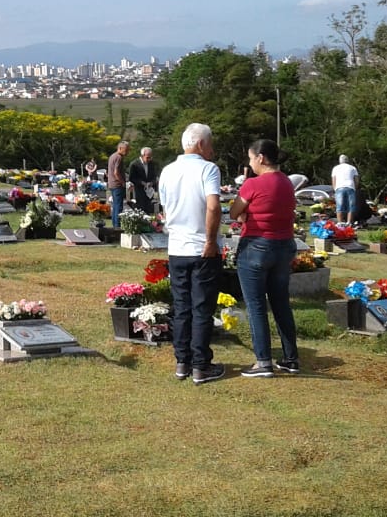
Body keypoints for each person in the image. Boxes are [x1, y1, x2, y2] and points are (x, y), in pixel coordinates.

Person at [158, 124, 225, 385]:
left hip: (177, 247)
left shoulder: (167, 171)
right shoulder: (208, 169)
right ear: (200, 144)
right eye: (210, 144)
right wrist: (210, 240)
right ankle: (201, 364)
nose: (212, 149)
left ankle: (182, 361)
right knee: (201, 308)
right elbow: (213, 206)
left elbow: (165, 208)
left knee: (181, 307)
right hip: (201, 246)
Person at [228, 139, 300, 378]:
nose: (249, 163)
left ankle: (263, 361)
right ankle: (290, 358)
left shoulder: (253, 184)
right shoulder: (287, 183)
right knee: (281, 303)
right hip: (284, 245)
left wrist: (245, 213)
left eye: (250, 158)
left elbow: (234, 211)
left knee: (256, 305)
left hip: (256, 246)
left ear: (260, 158)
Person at [107, 141, 130, 228]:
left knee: (115, 205)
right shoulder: (118, 157)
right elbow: (116, 172)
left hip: (112, 184)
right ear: (120, 148)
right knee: (119, 206)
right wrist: (123, 182)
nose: (127, 152)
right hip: (117, 185)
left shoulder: (112, 156)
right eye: (126, 150)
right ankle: (117, 226)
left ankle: (114, 224)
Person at [331, 154, 359, 225]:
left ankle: (340, 223)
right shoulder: (353, 168)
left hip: (339, 187)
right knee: (351, 206)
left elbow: (334, 179)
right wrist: (355, 188)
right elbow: (356, 179)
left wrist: (335, 189)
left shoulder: (335, 168)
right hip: (350, 187)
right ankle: (349, 222)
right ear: (347, 160)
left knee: (339, 206)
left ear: (340, 161)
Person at [128, 147, 157, 212]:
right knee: (140, 208)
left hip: (149, 191)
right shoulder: (134, 164)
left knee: (149, 208)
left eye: (150, 157)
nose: (149, 159)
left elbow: (154, 176)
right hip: (139, 190)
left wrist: (151, 183)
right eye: (147, 157)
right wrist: (141, 182)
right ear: (142, 155)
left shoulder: (151, 164)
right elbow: (132, 178)